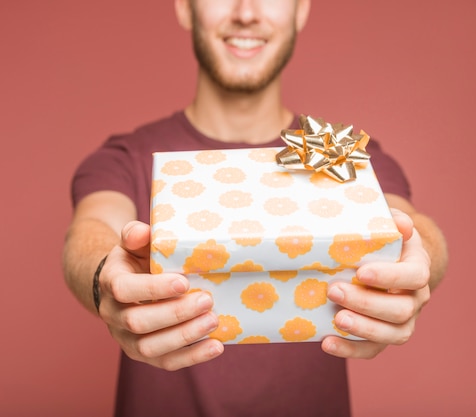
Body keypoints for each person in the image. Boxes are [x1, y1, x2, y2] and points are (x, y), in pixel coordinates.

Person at [63, 0, 448, 416]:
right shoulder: (126, 157)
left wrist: (417, 259)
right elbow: (93, 228)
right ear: (183, 7)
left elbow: (409, 222)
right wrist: (105, 278)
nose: (246, 11)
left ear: (301, 10)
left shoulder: (346, 155)